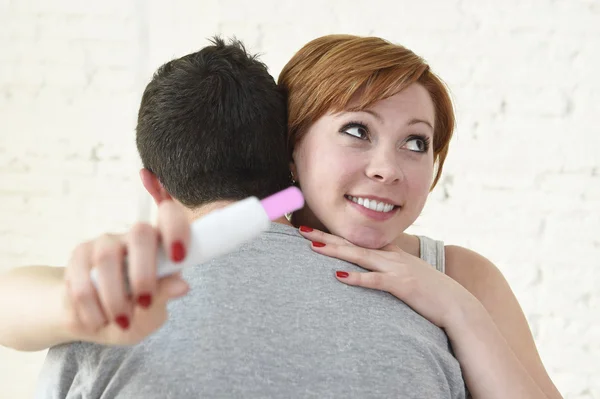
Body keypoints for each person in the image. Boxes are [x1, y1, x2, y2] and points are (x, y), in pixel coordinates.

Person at [0, 34, 562, 398]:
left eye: (417, 143)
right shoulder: (195, 255)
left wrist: (457, 309)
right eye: (357, 131)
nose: (389, 169)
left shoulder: (461, 273)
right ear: (292, 147)